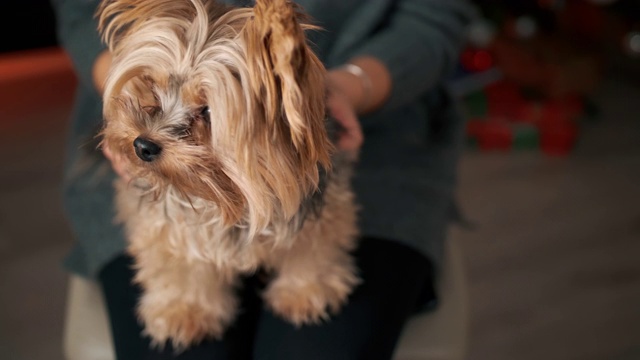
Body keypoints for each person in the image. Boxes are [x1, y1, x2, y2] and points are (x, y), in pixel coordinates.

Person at [51, 0, 478, 359]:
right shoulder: (148, 137)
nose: (152, 139)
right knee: (180, 335)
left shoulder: (288, 117)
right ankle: (189, 290)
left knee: (319, 330)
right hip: (160, 140)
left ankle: (305, 273)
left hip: (377, 130)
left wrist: (351, 87)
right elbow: (81, 11)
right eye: (155, 92)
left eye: (205, 115)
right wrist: (124, 83)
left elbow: (433, 18)